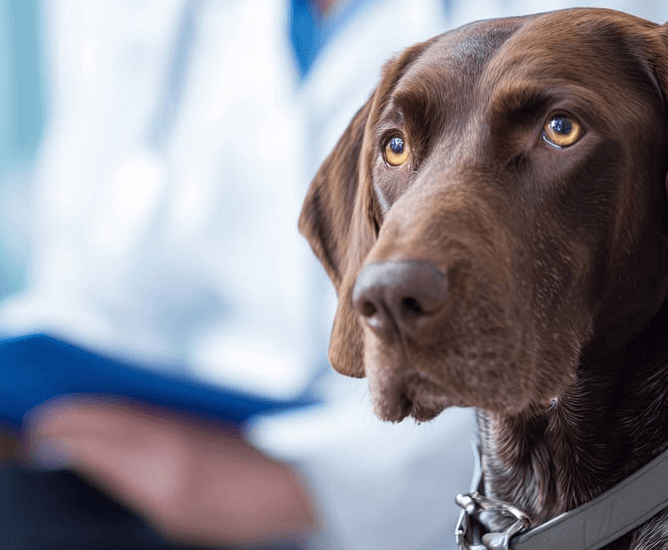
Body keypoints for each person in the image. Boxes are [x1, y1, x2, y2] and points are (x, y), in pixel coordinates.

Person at [1, 0, 667, 549]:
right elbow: (90, 273)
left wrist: (294, 484)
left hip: (386, 507)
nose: (381, 284)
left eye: (558, 128)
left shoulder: (624, 44)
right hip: (128, 464)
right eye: (397, 146)